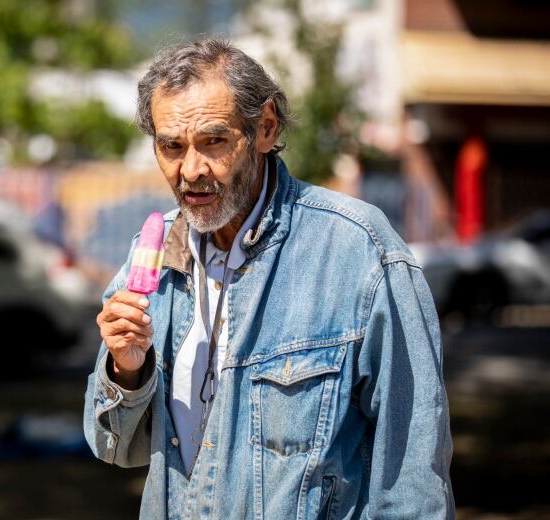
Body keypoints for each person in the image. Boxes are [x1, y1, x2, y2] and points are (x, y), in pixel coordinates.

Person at [84, 38, 454, 519]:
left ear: (265, 128)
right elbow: (113, 447)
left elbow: (413, 478)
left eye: (213, 140)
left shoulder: (358, 250)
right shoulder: (152, 261)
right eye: (170, 146)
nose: (190, 169)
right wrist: (127, 370)